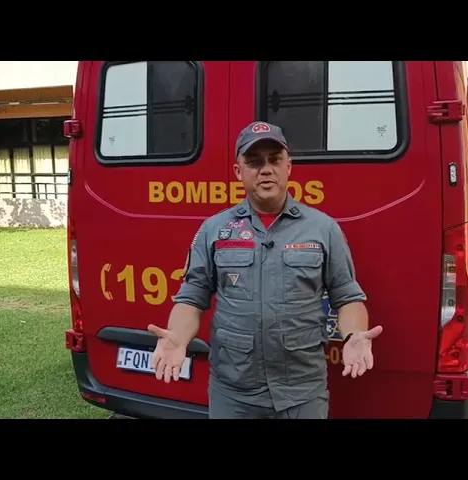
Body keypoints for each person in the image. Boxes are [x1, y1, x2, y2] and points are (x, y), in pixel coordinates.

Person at [147, 121, 382, 419]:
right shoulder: (214, 230)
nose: (266, 170)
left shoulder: (323, 229)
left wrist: (353, 335)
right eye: (254, 162)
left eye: (275, 160)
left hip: (302, 391)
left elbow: (347, 296)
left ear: (288, 167)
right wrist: (178, 337)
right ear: (238, 172)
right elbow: (193, 296)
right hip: (234, 392)